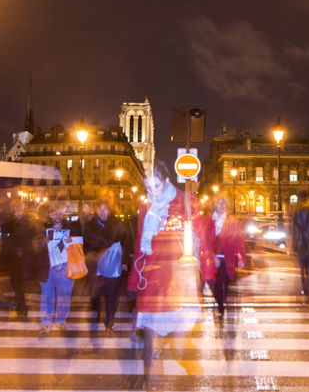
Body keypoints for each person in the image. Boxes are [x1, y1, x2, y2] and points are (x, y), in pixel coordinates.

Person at [127, 161, 201, 380]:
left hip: (177, 282)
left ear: (167, 181)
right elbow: (140, 243)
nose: (152, 193)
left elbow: (197, 240)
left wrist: (203, 273)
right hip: (150, 280)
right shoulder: (145, 208)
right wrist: (133, 283)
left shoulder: (185, 202)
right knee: (149, 344)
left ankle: (191, 372)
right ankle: (150, 385)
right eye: (148, 189)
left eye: (156, 187)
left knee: (180, 346)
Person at [194, 195, 246, 321]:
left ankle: (222, 304)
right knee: (216, 284)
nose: (223, 206)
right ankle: (220, 307)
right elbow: (204, 240)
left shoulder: (231, 221)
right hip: (212, 259)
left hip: (228, 258)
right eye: (220, 203)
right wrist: (212, 256)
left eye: (224, 203)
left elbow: (238, 239)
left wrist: (241, 258)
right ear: (214, 205)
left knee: (226, 283)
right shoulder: (208, 221)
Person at [33, 206, 80, 335]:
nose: (57, 215)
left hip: (65, 266)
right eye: (54, 213)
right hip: (46, 267)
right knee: (47, 295)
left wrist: (72, 241)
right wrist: (44, 241)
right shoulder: (42, 229)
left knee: (64, 296)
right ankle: (46, 322)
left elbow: (80, 245)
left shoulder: (72, 228)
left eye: (59, 213)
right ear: (48, 214)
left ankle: (61, 320)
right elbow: (34, 247)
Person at [83, 200, 127, 330]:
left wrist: (125, 262)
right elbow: (87, 243)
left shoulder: (118, 224)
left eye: (105, 208)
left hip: (113, 264)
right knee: (96, 293)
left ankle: (109, 320)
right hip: (95, 264)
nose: (102, 211)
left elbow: (125, 242)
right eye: (100, 209)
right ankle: (97, 312)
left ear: (109, 210)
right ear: (96, 211)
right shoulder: (90, 225)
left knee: (112, 293)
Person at [0, 201, 38, 318]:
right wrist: (13, 249)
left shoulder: (30, 222)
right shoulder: (7, 223)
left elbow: (33, 236)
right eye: (16, 206)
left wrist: (25, 249)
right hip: (13, 256)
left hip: (27, 255)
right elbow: (4, 239)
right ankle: (22, 306)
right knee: (17, 282)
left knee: (24, 282)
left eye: (20, 206)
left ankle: (22, 304)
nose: (18, 208)